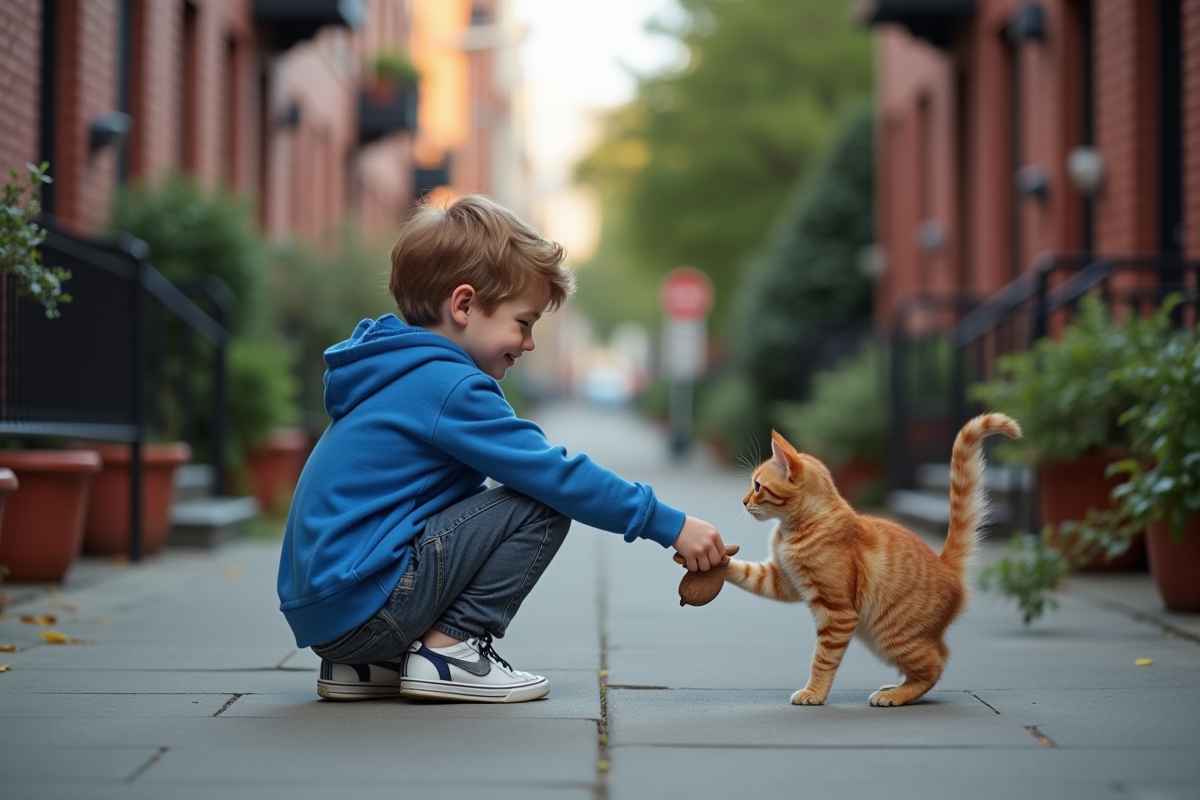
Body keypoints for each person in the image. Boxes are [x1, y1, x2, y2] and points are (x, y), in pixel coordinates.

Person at [277, 194, 725, 704]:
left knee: (465, 495)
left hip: (329, 617)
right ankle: (448, 655)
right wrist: (668, 524)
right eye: (525, 322)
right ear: (465, 305)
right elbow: (554, 475)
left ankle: (366, 666)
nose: (530, 343)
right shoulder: (449, 386)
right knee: (542, 502)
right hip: (373, 605)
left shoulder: (391, 373)